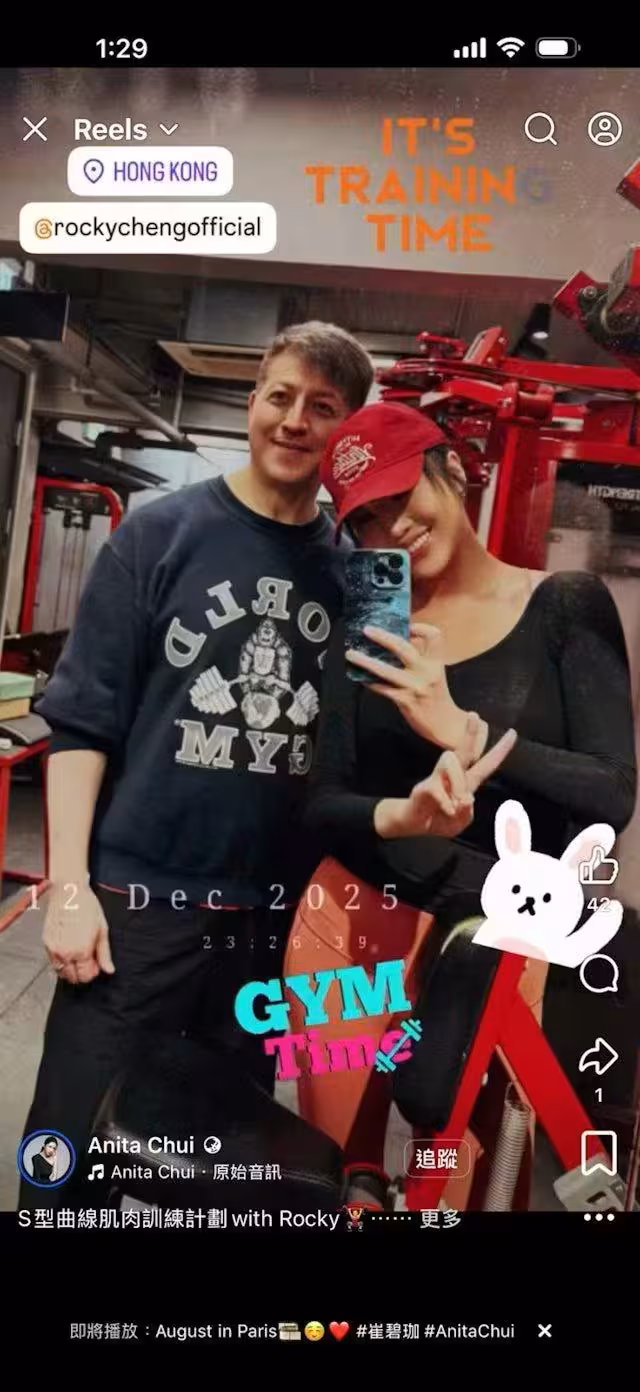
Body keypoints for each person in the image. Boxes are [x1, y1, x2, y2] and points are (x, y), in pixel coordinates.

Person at [18, 321, 374, 1209]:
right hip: (135, 913)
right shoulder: (158, 536)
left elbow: (364, 750)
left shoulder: (357, 577)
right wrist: (70, 889)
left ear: (348, 433)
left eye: (323, 408)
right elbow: (82, 725)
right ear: (253, 402)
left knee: (223, 1174)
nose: (294, 421)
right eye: (280, 396)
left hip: (261, 929)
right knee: (66, 1161)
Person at [284, 401, 637, 1209]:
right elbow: (322, 804)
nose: (392, 530)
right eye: (365, 520)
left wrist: (464, 730)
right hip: (352, 928)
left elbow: (611, 794)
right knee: (342, 1181)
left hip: (504, 942)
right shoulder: (369, 630)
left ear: (451, 470)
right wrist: (404, 816)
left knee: (467, 1187)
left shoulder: (564, 604)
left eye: (401, 496)